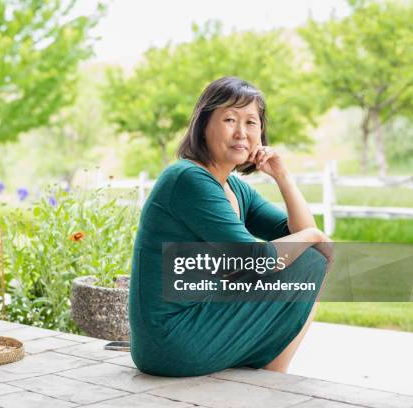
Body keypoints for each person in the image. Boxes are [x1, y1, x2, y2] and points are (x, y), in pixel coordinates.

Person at [129, 76, 333, 377]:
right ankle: (273, 375)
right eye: (229, 119)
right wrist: (315, 235)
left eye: (251, 122)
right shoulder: (188, 179)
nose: (241, 132)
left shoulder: (233, 187)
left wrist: (282, 176)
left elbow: (299, 237)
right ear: (204, 126)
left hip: (193, 325)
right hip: (171, 339)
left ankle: (272, 373)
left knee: (309, 257)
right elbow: (259, 260)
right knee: (310, 259)